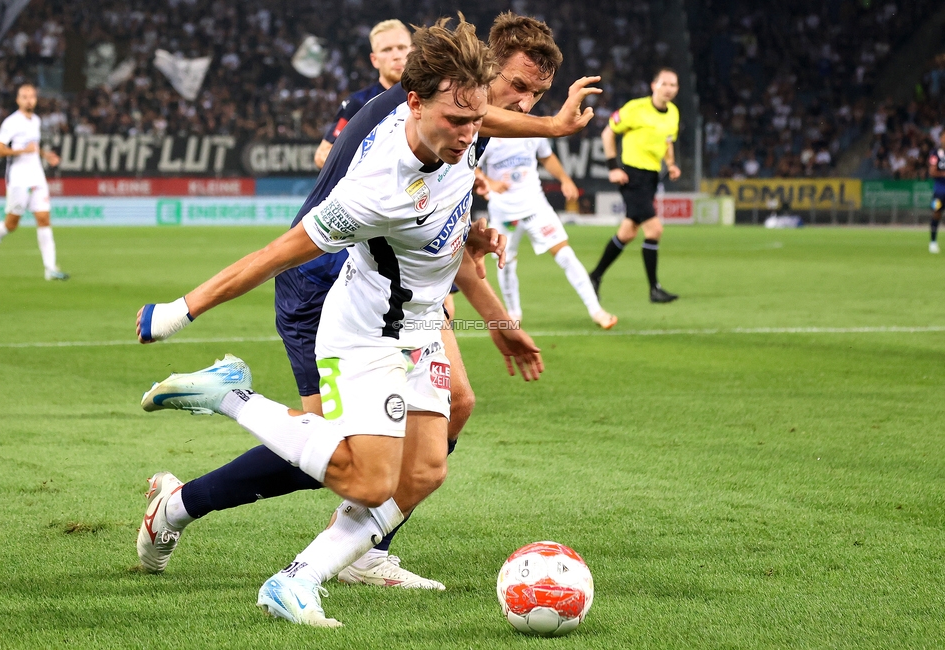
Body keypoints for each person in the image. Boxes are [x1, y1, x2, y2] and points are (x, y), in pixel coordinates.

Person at [136, 16, 593, 627]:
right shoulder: (379, 180)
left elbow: (464, 157)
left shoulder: (465, 125)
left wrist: (471, 234)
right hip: (350, 312)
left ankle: (316, 570)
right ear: (417, 99)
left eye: (483, 116)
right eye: (463, 118)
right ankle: (223, 417)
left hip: (415, 312)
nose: (477, 129)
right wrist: (178, 311)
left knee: (429, 459)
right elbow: (278, 254)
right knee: (357, 471)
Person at [479, 136, 617, 328]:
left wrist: (565, 179)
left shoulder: (532, 127)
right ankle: (513, 314)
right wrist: (488, 181)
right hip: (505, 213)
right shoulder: (489, 134)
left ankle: (597, 311)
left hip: (536, 208)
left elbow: (546, 156)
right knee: (506, 262)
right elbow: (469, 165)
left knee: (566, 255)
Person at [588, 68, 681, 303]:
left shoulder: (673, 113)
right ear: (654, 85)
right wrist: (613, 167)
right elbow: (608, 133)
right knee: (654, 230)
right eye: (665, 84)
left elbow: (668, 141)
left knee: (628, 233)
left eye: (674, 85)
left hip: (651, 177)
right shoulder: (635, 109)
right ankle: (654, 289)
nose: (669, 89)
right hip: (632, 176)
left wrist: (671, 164)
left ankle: (595, 276)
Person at [0, 83, 67, 281]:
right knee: (12, 223)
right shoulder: (11, 122)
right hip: (18, 178)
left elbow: (33, 145)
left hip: (37, 176)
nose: (29, 100)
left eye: (32, 96)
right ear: (18, 100)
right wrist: (21, 151)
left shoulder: (36, 120)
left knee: (44, 219)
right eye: (25, 96)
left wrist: (45, 154)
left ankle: (50, 268)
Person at [313, 20, 412, 169]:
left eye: (402, 48)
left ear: (412, 52)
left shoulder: (428, 99)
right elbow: (322, 155)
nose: (396, 55)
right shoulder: (358, 103)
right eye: (387, 50)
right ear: (374, 59)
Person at [928, 130, 945, 254]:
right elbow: (932, 172)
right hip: (939, 191)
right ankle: (933, 242)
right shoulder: (935, 154)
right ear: (941, 139)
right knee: (936, 213)